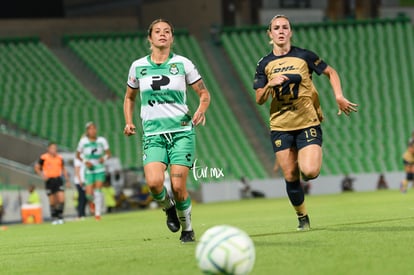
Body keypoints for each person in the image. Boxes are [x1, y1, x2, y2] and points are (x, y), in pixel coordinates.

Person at [253, 15, 357, 230]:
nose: (281, 31)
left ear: (290, 32)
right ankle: (302, 217)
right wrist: (270, 84)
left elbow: (330, 72)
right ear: (269, 34)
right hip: (281, 126)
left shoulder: (304, 56)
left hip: (307, 122)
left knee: (309, 172)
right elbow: (260, 99)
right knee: (290, 175)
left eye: (285, 27)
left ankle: (307, 154)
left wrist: (338, 96)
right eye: (276, 28)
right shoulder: (264, 64)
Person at [123, 18, 211, 243]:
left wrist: (201, 109)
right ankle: (168, 208)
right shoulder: (138, 66)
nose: (162, 34)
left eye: (167, 31)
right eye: (157, 32)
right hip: (153, 135)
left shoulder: (183, 64)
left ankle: (188, 229)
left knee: (178, 185)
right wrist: (128, 121)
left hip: (181, 133)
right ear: (149, 38)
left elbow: (204, 93)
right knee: (153, 183)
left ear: (172, 37)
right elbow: (129, 97)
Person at [76, 122, 111, 220]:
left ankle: (98, 213)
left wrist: (103, 158)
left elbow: (108, 154)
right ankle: (92, 203)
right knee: (88, 194)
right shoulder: (83, 141)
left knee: (98, 190)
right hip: (89, 169)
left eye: (94, 128)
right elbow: (78, 155)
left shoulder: (102, 140)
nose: (93, 131)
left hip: (99, 168)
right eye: (90, 129)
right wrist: (85, 162)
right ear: (87, 131)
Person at [34, 142, 70, 224]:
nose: (54, 150)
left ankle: (60, 216)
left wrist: (67, 180)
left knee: (61, 198)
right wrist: (42, 175)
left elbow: (63, 169)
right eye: (52, 148)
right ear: (48, 149)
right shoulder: (44, 157)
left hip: (58, 179)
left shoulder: (59, 158)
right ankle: (54, 217)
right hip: (49, 180)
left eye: (55, 148)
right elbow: (37, 167)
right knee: (52, 201)